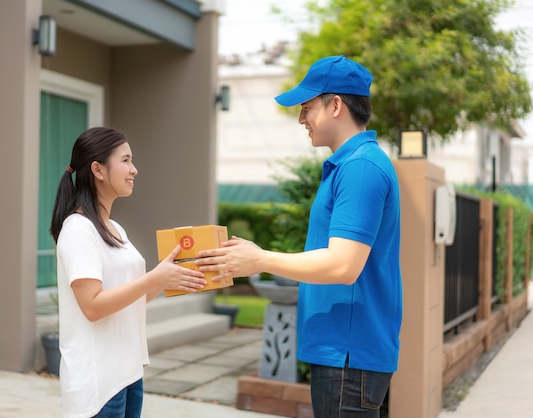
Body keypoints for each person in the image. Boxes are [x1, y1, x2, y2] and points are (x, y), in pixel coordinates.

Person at [196, 56, 402, 417]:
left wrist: (260, 259)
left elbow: (343, 265)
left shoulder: (360, 169)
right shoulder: (352, 164)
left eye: (307, 107)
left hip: (347, 354)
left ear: (335, 104)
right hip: (344, 352)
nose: (301, 119)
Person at [50, 126, 207, 418]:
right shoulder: (78, 230)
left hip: (128, 372)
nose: (134, 170)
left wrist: (168, 276)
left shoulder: (115, 229)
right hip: (99, 383)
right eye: (125, 160)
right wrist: (155, 277)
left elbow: (130, 297)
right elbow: (93, 307)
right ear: (97, 169)